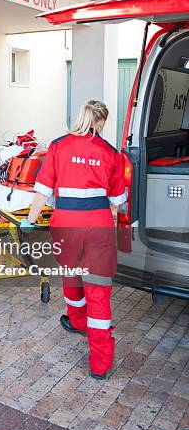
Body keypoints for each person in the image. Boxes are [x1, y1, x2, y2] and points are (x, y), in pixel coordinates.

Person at [21, 100, 126, 379]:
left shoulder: (58, 146)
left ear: (82, 117)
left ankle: (78, 321)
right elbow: (116, 204)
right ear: (101, 122)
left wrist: (29, 221)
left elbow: (42, 193)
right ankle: (100, 363)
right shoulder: (112, 154)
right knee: (98, 293)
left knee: (71, 276)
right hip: (98, 228)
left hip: (66, 227)